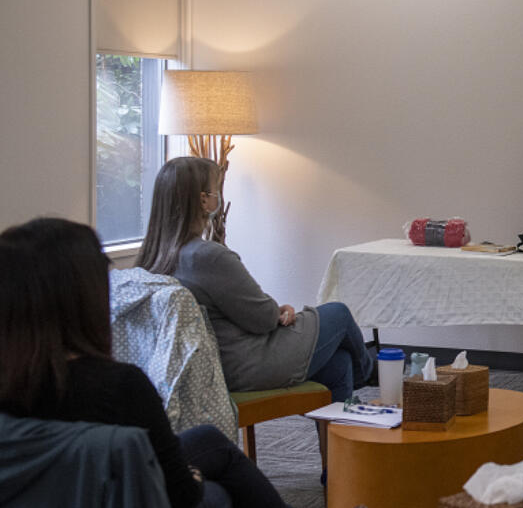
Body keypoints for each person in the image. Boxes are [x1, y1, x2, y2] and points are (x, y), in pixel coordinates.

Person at [0, 218, 371, 508]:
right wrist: (191, 474)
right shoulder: (119, 388)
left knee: (208, 442)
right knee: (220, 486)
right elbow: (182, 499)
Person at [136, 156, 374, 403]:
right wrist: (276, 311)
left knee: (338, 363)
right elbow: (261, 319)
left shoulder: (152, 257)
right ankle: (371, 375)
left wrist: (272, 311)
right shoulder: (208, 256)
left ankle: (340, 437)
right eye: (216, 189)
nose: (220, 195)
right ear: (204, 200)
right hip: (242, 365)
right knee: (338, 313)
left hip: (195, 368)